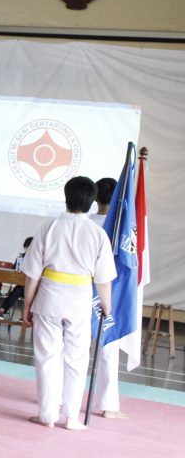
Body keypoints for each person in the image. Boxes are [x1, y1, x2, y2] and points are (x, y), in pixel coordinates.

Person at [23, 176, 115, 430]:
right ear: (91, 201)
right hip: (79, 301)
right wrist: (106, 306)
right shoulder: (97, 234)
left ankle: (47, 415)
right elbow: (104, 279)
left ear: (66, 198)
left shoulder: (49, 227)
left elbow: (32, 274)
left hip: (49, 298)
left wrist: (27, 305)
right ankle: (72, 417)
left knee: (46, 358)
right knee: (77, 360)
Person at [89, 176, 126, 419]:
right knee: (109, 348)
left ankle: (58, 398)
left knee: (72, 347)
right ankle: (108, 404)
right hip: (107, 291)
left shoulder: (86, 223)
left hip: (84, 289)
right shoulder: (121, 227)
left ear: (95, 197)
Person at [0, 236, 34, 320]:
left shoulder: (38, 259)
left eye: (30, 248)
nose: (28, 251)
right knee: (19, 288)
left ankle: (2, 310)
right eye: (26, 248)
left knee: (19, 289)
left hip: (34, 290)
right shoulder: (21, 258)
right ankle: (2, 311)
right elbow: (13, 272)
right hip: (23, 287)